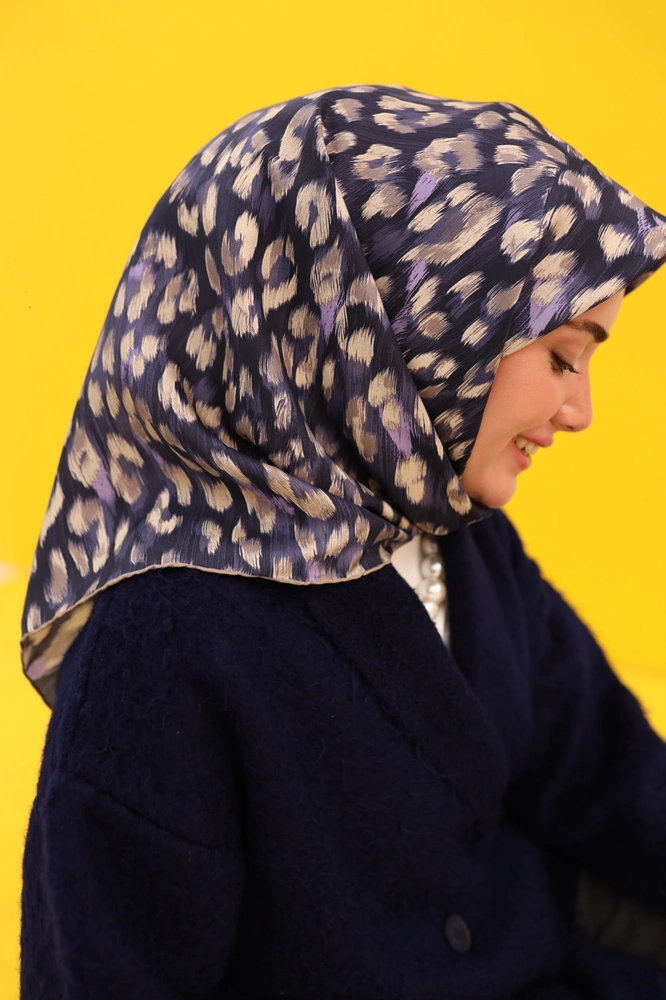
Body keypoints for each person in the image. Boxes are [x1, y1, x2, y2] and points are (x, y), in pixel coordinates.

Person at [19, 84, 666, 999]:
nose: (581, 410)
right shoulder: (160, 642)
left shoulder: (461, 542)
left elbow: (605, 768)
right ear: (415, 319)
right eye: (562, 355)